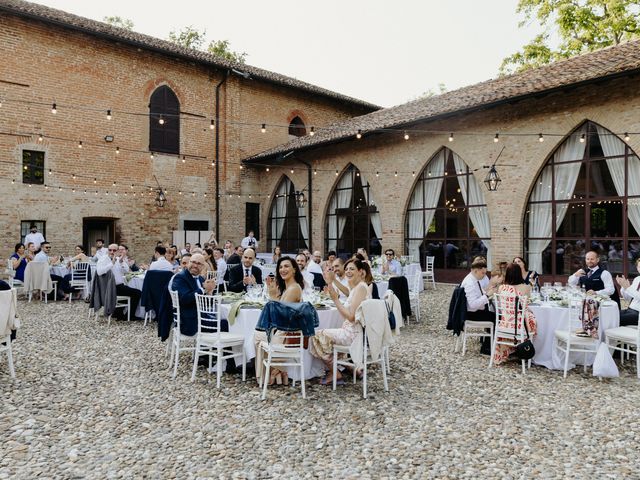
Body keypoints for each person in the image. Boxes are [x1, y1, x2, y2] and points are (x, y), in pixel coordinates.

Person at [310, 258, 370, 385]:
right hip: (352, 331)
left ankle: (335, 373)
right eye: (347, 269)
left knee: (316, 336)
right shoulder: (357, 287)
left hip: (353, 334)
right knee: (328, 336)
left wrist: (336, 300)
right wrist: (331, 282)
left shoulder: (361, 288)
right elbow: (347, 294)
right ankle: (352, 368)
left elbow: (351, 317)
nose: (348, 271)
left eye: (352, 269)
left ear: (360, 271)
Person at [257, 256, 306, 385]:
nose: (283, 269)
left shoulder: (293, 289)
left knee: (257, 336)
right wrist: (274, 295)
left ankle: (269, 374)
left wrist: (273, 297)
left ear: (294, 270)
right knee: (259, 334)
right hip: (284, 331)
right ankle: (278, 372)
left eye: (286, 266)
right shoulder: (289, 288)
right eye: (280, 267)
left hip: (287, 335)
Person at [493, 263, 537, 364]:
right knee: (533, 320)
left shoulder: (501, 288)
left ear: (507, 274)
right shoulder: (526, 288)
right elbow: (526, 305)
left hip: (505, 324)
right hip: (519, 326)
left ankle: (510, 352)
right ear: (519, 274)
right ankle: (525, 350)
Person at [170, 253, 217, 336]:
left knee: (228, 321)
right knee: (228, 325)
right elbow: (185, 299)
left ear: (203, 267)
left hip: (201, 317)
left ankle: (206, 347)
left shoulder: (200, 278)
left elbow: (207, 305)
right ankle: (210, 347)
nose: (195, 265)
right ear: (189, 263)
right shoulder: (180, 277)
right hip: (189, 322)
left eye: (199, 264)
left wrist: (210, 292)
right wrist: (203, 289)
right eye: (193, 262)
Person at [461, 257, 497, 354]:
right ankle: (486, 348)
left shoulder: (473, 279)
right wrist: (487, 295)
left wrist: (488, 291)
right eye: (483, 273)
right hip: (470, 314)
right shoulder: (470, 283)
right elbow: (472, 305)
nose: (484, 275)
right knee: (496, 318)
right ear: (476, 271)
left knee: (494, 315)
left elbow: (479, 294)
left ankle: (489, 345)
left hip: (474, 311)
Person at [96, 243, 142, 319]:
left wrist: (121, 261)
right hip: (110, 288)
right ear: (107, 250)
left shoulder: (118, 259)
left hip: (119, 286)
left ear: (117, 251)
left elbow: (126, 271)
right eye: (110, 250)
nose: (111, 252)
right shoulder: (103, 259)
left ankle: (118, 313)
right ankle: (130, 316)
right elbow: (99, 272)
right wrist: (111, 263)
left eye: (114, 250)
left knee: (129, 291)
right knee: (137, 293)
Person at [615, 258, 640, 326]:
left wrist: (628, 288)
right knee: (611, 315)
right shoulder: (637, 279)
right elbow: (627, 298)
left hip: (638, 313)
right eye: (639, 267)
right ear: (637, 268)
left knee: (615, 319)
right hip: (630, 309)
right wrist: (623, 287)